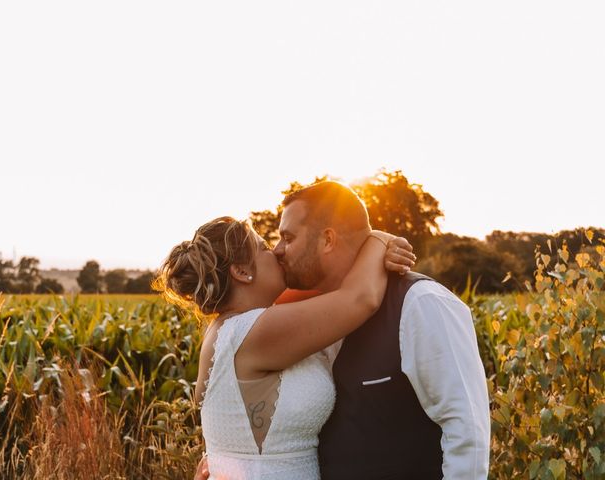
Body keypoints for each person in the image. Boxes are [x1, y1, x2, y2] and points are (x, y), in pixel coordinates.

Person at [196, 181, 490, 479]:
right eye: (269, 244)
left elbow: (466, 431)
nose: (278, 250)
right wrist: (379, 239)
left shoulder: (422, 303)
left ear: (327, 240)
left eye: (287, 237)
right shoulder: (305, 316)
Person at [155, 215, 415, 479]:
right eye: (264, 248)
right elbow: (360, 298)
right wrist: (379, 238)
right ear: (242, 272)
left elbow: (329, 286)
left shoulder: (230, 328)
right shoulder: (252, 332)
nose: (277, 251)